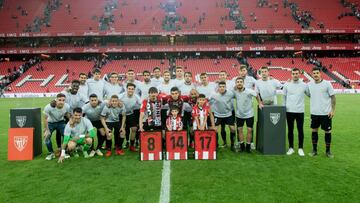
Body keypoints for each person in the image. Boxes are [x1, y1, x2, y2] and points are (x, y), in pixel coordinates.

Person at [307, 67, 336, 158]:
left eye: (317, 73)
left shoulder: (327, 84)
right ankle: (314, 150)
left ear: (320, 74)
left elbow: (333, 97)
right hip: (314, 113)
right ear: (312, 75)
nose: (315, 74)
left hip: (326, 113)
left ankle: (328, 151)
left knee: (327, 131)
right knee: (314, 130)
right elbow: (308, 94)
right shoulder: (309, 84)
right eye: (314, 73)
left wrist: (333, 110)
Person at [283, 68, 309, 156]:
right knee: (290, 130)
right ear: (291, 74)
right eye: (293, 73)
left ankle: (300, 148)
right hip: (289, 111)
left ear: (299, 74)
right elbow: (284, 97)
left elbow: (309, 94)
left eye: (296, 73)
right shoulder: (287, 85)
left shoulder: (304, 85)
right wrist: (284, 109)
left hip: (300, 111)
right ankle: (291, 148)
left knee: (300, 130)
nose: (295, 75)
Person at [233, 77, 259, 153]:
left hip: (249, 114)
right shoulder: (234, 92)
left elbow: (256, 95)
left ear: (243, 83)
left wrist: (259, 103)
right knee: (239, 130)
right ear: (236, 83)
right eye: (238, 82)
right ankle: (242, 146)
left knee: (249, 130)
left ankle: (248, 146)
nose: (239, 83)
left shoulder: (249, 91)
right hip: (239, 115)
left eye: (241, 82)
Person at [209, 81, 236, 150]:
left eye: (223, 87)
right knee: (214, 130)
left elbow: (238, 96)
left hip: (228, 114)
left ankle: (233, 144)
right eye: (220, 87)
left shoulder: (230, 93)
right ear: (218, 87)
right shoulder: (214, 95)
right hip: (218, 115)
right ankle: (216, 145)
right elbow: (208, 102)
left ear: (225, 87)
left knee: (233, 129)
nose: (222, 88)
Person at [43, 93, 71, 160]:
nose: (62, 102)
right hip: (50, 123)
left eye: (63, 100)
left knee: (66, 135)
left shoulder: (67, 106)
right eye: (60, 100)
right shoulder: (48, 107)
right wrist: (47, 130)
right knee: (47, 137)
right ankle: (51, 153)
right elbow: (45, 118)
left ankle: (64, 152)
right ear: (56, 100)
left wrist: (71, 123)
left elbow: (67, 114)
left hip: (61, 122)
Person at [118, 83, 142, 151]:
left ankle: (132, 146)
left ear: (134, 90)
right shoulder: (121, 96)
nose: (130, 90)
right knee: (122, 131)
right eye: (129, 89)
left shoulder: (136, 96)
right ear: (126, 89)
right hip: (121, 115)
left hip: (130, 114)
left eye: (132, 89)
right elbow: (112, 100)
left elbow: (141, 104)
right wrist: (118, 103)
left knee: (134, 128)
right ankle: (119, 147)